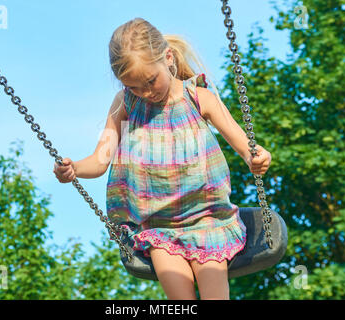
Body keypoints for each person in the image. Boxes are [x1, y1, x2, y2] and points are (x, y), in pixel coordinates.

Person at [53, 18, 272, 300]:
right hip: (159, 229)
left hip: (208, 222)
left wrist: (257, 157)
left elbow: (246, 147)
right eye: (134, 87)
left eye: (150, 81)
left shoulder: (199, 98)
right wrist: (74, 169)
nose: (146, 92)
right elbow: (100, 159)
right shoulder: (124, 105)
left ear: (167, 58)